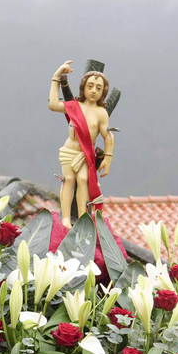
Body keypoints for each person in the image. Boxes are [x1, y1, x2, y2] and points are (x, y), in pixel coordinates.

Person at [49, 60, 114, 228]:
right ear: (83, 87)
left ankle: (83, 218)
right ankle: (65, 219)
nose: (93, 91)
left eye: (98, 88)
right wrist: (56, 77)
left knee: (83, 179)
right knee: (69, 179)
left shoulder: (101, 113)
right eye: (90, 86)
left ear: (104, 92)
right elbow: (53, 105)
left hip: (85, 154)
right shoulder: (74, 106)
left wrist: (107, 158)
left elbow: (108, 136)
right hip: (69, 151)